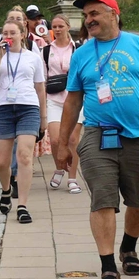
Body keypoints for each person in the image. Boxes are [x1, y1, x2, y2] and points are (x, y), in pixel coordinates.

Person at [55, 0, 139, 279]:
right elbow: (72, 101)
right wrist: (63, 143)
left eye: (94, 13)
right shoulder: (82, 54)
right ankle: (108, 268)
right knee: (103, 199)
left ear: (114, 14)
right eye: (86, 15)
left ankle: (128, 247)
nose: (89, 20)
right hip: (99, 135)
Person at [0, 19, 47, 223]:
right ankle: (6, 189)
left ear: (22, 34)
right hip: (3, 108)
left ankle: (23, 206)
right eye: (5, 33)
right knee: (2, 162)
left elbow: (40, 88)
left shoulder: (32, 57)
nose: (8, 37)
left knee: (24, 156)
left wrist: (43, 118)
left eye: (12, 33)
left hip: (28, 107)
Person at [42, 14, 82, 194]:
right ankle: (59, 167)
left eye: (61, 26)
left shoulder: (78, 48)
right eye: (55, 27)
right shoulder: (46, 50)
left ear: (68, 27)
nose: (57, 30)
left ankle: (72, 178)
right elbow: (43, 77)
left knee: (72, 139)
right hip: (54, 99)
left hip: (75, 100)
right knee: (56, 139)